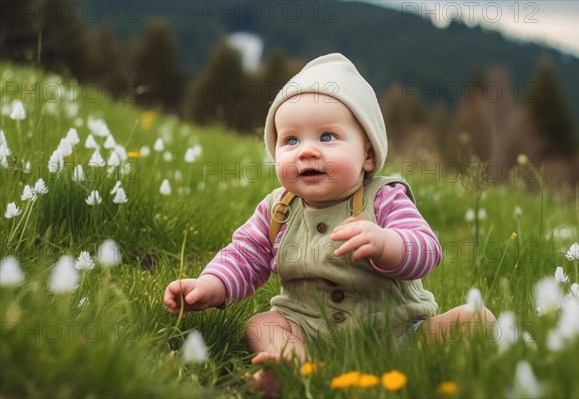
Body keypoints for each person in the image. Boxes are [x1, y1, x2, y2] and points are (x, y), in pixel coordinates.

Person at [164, 53, 495, 396]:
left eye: (326, 137)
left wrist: (386, 244)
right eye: (290, 140)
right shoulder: (277, 209)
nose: (306, 151)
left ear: (367, 154)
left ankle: (430, 367)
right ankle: (299, 369)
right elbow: (245, 256)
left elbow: (427, 249)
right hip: (309, 330)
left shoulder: (385, 198)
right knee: (263, 324)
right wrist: (212, 284)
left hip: (396, 334)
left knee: (475, 319)